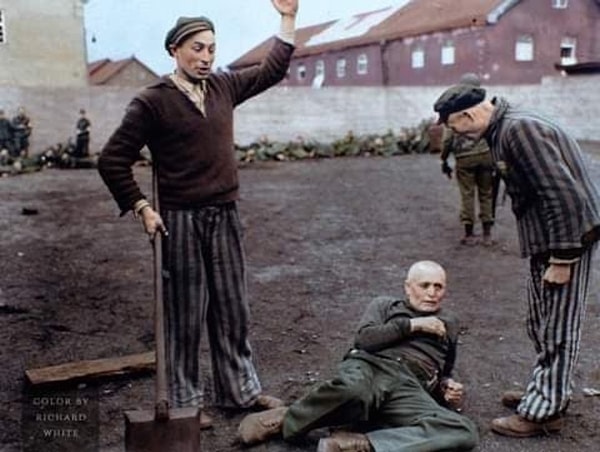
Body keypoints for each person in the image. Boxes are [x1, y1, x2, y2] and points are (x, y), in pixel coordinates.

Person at [97, 0, 299, 428]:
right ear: (174, 50)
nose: (206, 57)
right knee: (186, 313)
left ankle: (240, 392)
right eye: (196, 49)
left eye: (211, 48)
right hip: (180, 219)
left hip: (225, 213)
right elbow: (113, 159)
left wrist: (287, 19)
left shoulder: (224, 87)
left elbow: (272, 70)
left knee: (232, 307)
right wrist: (142, 207)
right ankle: (186, 402)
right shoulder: (151, 102)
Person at [433, 84, 600, 437]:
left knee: (558, 327)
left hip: (568, 239)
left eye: (453, 124)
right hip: (550, 239)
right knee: (540, 321)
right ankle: (546, 392)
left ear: (468, 115)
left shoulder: (518, 129)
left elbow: (562, 194)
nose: (454, 132)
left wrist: (563, 259)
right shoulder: (504, 127)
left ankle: (545, 412)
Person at [238, 261, 479, 452]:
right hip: (371, 367)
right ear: (408, 286)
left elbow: (445, 368)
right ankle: (285, 419)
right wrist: (413, 325)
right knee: (356, 392)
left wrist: (448, 387)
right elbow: (365, 340)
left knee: (463, 430)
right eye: (424, 285)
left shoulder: (450, 323)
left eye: (438, 287)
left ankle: (358, 444)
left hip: (409, 386)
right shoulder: (385, 305)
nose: (431, 293)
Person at [438, 74, 495, 246]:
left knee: (467, 195)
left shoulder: (456, 107)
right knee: (487, 194)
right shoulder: (486, 107)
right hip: (486, 156)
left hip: (464, 159)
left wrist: (444, 159)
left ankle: (469, 235)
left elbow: (447, 138)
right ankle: (487, 235)